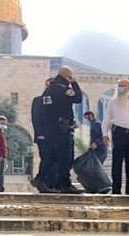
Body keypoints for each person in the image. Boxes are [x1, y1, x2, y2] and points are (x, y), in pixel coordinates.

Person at [30, 66, 84, 194]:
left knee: (52, 157)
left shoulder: (49, 89)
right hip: (61, 128)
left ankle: (40, 178)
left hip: (51, 128)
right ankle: (64, 184)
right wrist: (74, 83)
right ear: (68, 76)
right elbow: (78, 98)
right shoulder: (62, 88)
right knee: (66, 156)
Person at [31, 78, 59, 192]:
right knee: (46, 158)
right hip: (43, 136)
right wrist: (39, 133)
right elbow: (35, 117)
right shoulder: (38, 100)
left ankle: (52, 184)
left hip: (56, 136)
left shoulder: (57, 101)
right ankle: (44, 183)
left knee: (55, 160)